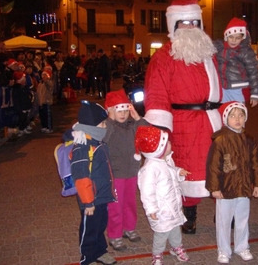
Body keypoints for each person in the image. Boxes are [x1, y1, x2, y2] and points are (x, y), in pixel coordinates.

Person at [143, 0, 221, 234]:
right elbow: (156, 93)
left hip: (211, 120)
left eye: (194, 23)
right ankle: (189, 214)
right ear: (173, 26)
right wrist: (159, 130)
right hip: (182, 121)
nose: (190, 27)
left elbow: (221, 86)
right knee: (187, 169)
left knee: (218, 165)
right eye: (184, 23)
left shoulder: (208, 53)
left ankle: (224, 211)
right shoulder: (164, 56)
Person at [206, 101, 258, 263]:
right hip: (226, 188)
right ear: (226, 119)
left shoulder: (249, 139)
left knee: (242, 219)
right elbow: (213, 166)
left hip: (245, 187)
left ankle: (242, 246)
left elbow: (256, 163)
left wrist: (257, 184)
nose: (237, 119)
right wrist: (214, 188)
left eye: (241, 115)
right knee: (224, 221)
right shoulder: (220, 140)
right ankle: (223, 250)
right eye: (233, 116)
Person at [65, 100, 116, 265]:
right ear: (92, 126)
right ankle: (87, 257)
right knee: (89, 229)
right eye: (102, 124)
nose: (105, 127)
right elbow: (81, 177)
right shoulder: (83, 147)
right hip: (90, 199)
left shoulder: (96, 141)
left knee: (100, 225)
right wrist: (88, 203)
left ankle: (100, 251)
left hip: (101, 195)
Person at [136, 126, 191, 265]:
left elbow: (171, 172)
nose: (170, 145)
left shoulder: (166, 160)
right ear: (158, 149)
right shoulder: (149, 169)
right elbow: (147, 192)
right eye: (166, 143)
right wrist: (151, 209)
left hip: (173, 204)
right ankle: (157, 253)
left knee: (175, 227)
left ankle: (176, 247)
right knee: (161, 233)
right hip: (161, 209)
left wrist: (178, 172)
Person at [103, 89, 148, 250]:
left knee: (130, 202)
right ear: (111, 112)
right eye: (118, 110)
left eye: (125, 110)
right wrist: (109, 120)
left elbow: (148, 133)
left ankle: (129, 228)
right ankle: (115, 234)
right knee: (115, 205)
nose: (122, 114)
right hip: (116, 173)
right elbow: (103, 138)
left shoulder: (132, 125)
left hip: (132, 171)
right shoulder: (109, 126)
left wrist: (137, 118)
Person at [214, 17, 258, 106]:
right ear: (226, 36)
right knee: (223, 114)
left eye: (237, 38)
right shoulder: (219, 48)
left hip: (237, 88)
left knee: (238, 113)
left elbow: (253, 72)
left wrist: (255, 93)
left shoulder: (245, 51)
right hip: (221, 87)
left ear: (242, 38)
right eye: (231, 37)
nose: (234, 40)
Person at [11, 71, 33, 137]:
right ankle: (21, 129)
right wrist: (20, 107)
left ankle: (24, 127)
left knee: (25, 117)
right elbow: (17, 99)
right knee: (21, 118)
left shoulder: (24, 87)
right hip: (21, 106)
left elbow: (28, 95)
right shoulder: (17, 88)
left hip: (25, 105)